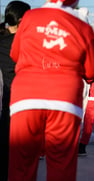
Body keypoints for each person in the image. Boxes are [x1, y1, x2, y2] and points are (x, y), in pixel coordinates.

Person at [8, 0, 94, 180]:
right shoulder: (82, 26)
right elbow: (92, 70)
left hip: (26, 96)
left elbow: (15, 53)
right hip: (64, 99)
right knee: (61, 164)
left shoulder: (29, 17)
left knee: (21, 163)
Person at [0, 1, 31, 180]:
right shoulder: (29, 42)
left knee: (5, 149)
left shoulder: (2, 41)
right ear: (22, 20)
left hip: (7, 104)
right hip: (26, 103)